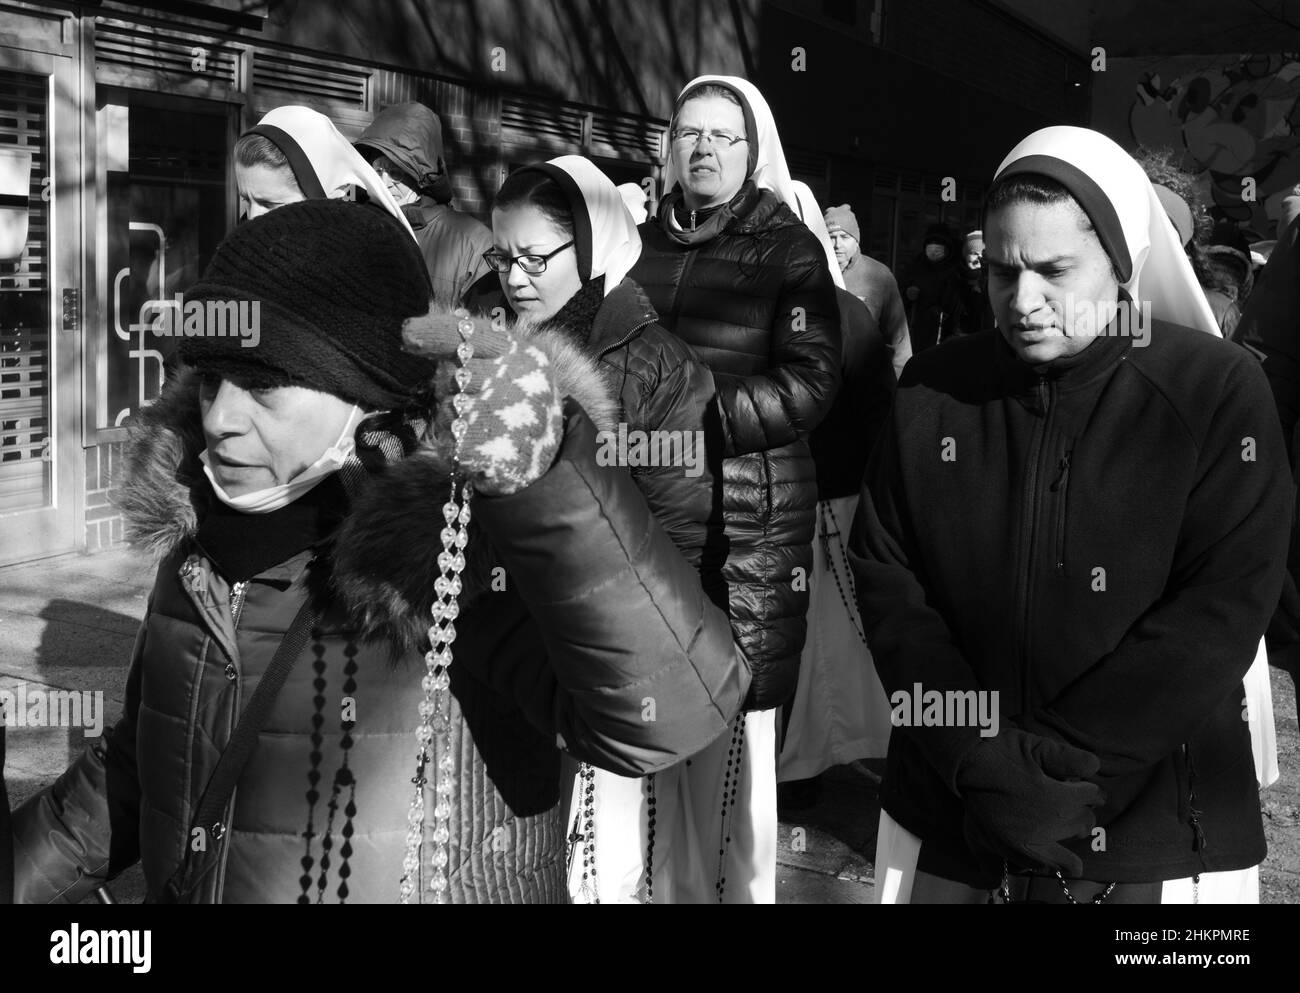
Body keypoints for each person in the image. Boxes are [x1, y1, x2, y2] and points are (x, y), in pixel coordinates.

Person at [11, 198, 750, 904]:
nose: (222, 419)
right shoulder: (197, 544)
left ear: (366, 400)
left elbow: (669, 716)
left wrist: (550, 480)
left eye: (267, 386)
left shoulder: (458, 551)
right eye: (210, 380)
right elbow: (143, 769)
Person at [855, 126, 1291, 904]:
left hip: (1151, 816)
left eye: (1054, 271)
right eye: (1000, 271)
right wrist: (979, 757)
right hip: (952, 800)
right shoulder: (931, 390)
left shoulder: (1215, 392)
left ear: (1122, 265)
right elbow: (892, 580)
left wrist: (1061, 773)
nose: (1022, 302)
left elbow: (1220, 608)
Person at [479, 154, 729, 904]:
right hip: (503, 648)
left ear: (591, 250)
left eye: (534, 258)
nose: (515, 277)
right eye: (503, 256)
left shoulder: (652, 361)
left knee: (601, 866)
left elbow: (682, 527)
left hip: (600, 653)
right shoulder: (491, 341)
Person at [630, 74, 841, 902]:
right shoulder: (636, 245)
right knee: (642, 707)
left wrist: (696, 418)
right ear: (670, 148)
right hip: (642, 511)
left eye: (724, 136)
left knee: (728, 729)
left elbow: (814, 380)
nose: (705, 149)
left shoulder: (787, 250)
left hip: (746, 518)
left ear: (752, 155)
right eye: (690, 134)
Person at [778, 181, 895, 808]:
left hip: (825, 505)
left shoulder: (845, 314)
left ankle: (804, 771)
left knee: (820, 646)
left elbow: (875, 411)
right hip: (781, 507)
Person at [354, 102, 495, 310]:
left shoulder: (473, 243)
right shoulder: (354, 226)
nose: (383, 182)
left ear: (421, 176)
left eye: (396, 172)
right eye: (377, 170)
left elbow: (484, 334)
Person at [234, 105, 412, 237]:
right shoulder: (238, 248)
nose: (253, 218)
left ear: (328, 194)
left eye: (269, 204)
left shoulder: (369, 256)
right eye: (247, 201)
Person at [824, 202, 912, 379]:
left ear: (856, 241)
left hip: (865, 380)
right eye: (831, 236)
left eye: (844, 237)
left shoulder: (879, 276)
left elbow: (899, 338)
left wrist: (897, 384)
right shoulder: (811, 271)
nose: (837, 244)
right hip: (820, 379)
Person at [900, 223, 965, 352]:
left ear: (948, 247)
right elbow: (898, 296)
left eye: (940, 243)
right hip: (915, 332)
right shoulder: (916, 267)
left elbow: (959, 307)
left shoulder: (956, 272)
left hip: (943, 335)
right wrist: (907, 295)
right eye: (931, 242)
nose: (934, 248)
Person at [956, 229, 995, 335]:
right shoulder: (955, 281)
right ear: (965, 256)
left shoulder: (992, 283)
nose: (979, 258)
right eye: (974, 253)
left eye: (983, 253)